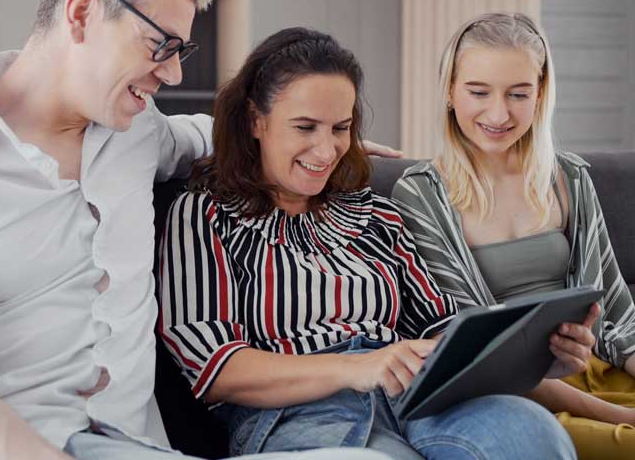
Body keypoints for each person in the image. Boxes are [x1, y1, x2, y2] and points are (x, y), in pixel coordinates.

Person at [0, 0, 395, 460]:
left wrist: (321, 145)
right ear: (81, 12)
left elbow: (212, 136)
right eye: (161, 44)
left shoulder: (135, 130)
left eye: (183, 52)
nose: (173, 74)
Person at [159, 27, 579, 459]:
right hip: (297, 414)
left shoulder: (376, 215)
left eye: (341, 128)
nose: (326, 150)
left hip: (415, 394)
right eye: (305, 127)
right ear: (255, 120)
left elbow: (439, 325)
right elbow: (215, 369)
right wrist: (356, 367)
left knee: (531, 436)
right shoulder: (205, 214)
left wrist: (535, 352)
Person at [391, 12, 635, 460]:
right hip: (521, 399)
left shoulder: (569, 177)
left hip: (599, 371)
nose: (498, 113)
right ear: (449, 91)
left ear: (540, 94)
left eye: (518, 94)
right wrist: (621, 417)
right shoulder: (423, 194)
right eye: (478, 92)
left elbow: (618, 315)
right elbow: (476, 358)